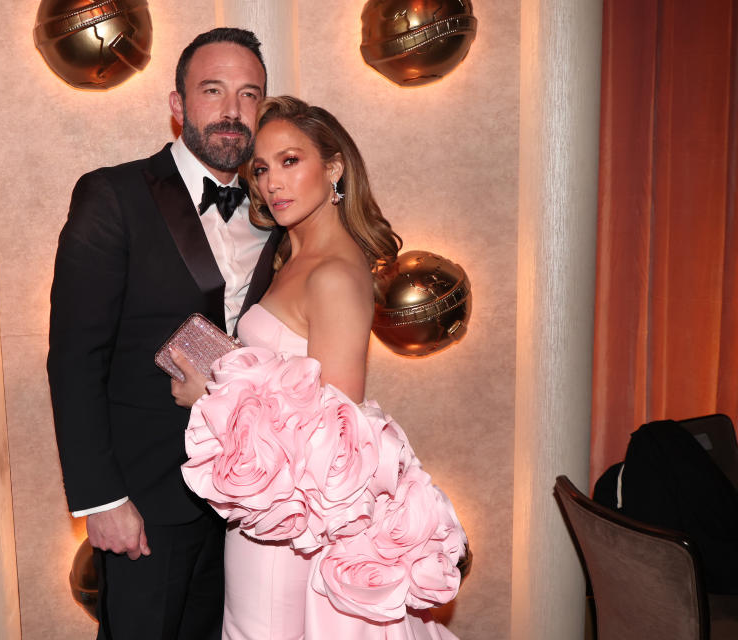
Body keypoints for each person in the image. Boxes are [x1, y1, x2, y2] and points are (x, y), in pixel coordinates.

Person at [172, 97, 466, 639]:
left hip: (296, 532)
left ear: (334, 168)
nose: (272, 183)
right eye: (260, 168)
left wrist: (211, 398)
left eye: (290, 161)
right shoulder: (291, 255)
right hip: (270, 515)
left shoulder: (333, 272)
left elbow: (338, 443)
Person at [48, 28, 283, 640]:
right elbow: (75, 358)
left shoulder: (277, 212)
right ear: (178, 105)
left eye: (249, 94)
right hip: (143, 504)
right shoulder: (113, 195)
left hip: (242, 511)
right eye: (213, 90)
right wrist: (101, 501)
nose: (233, 111)